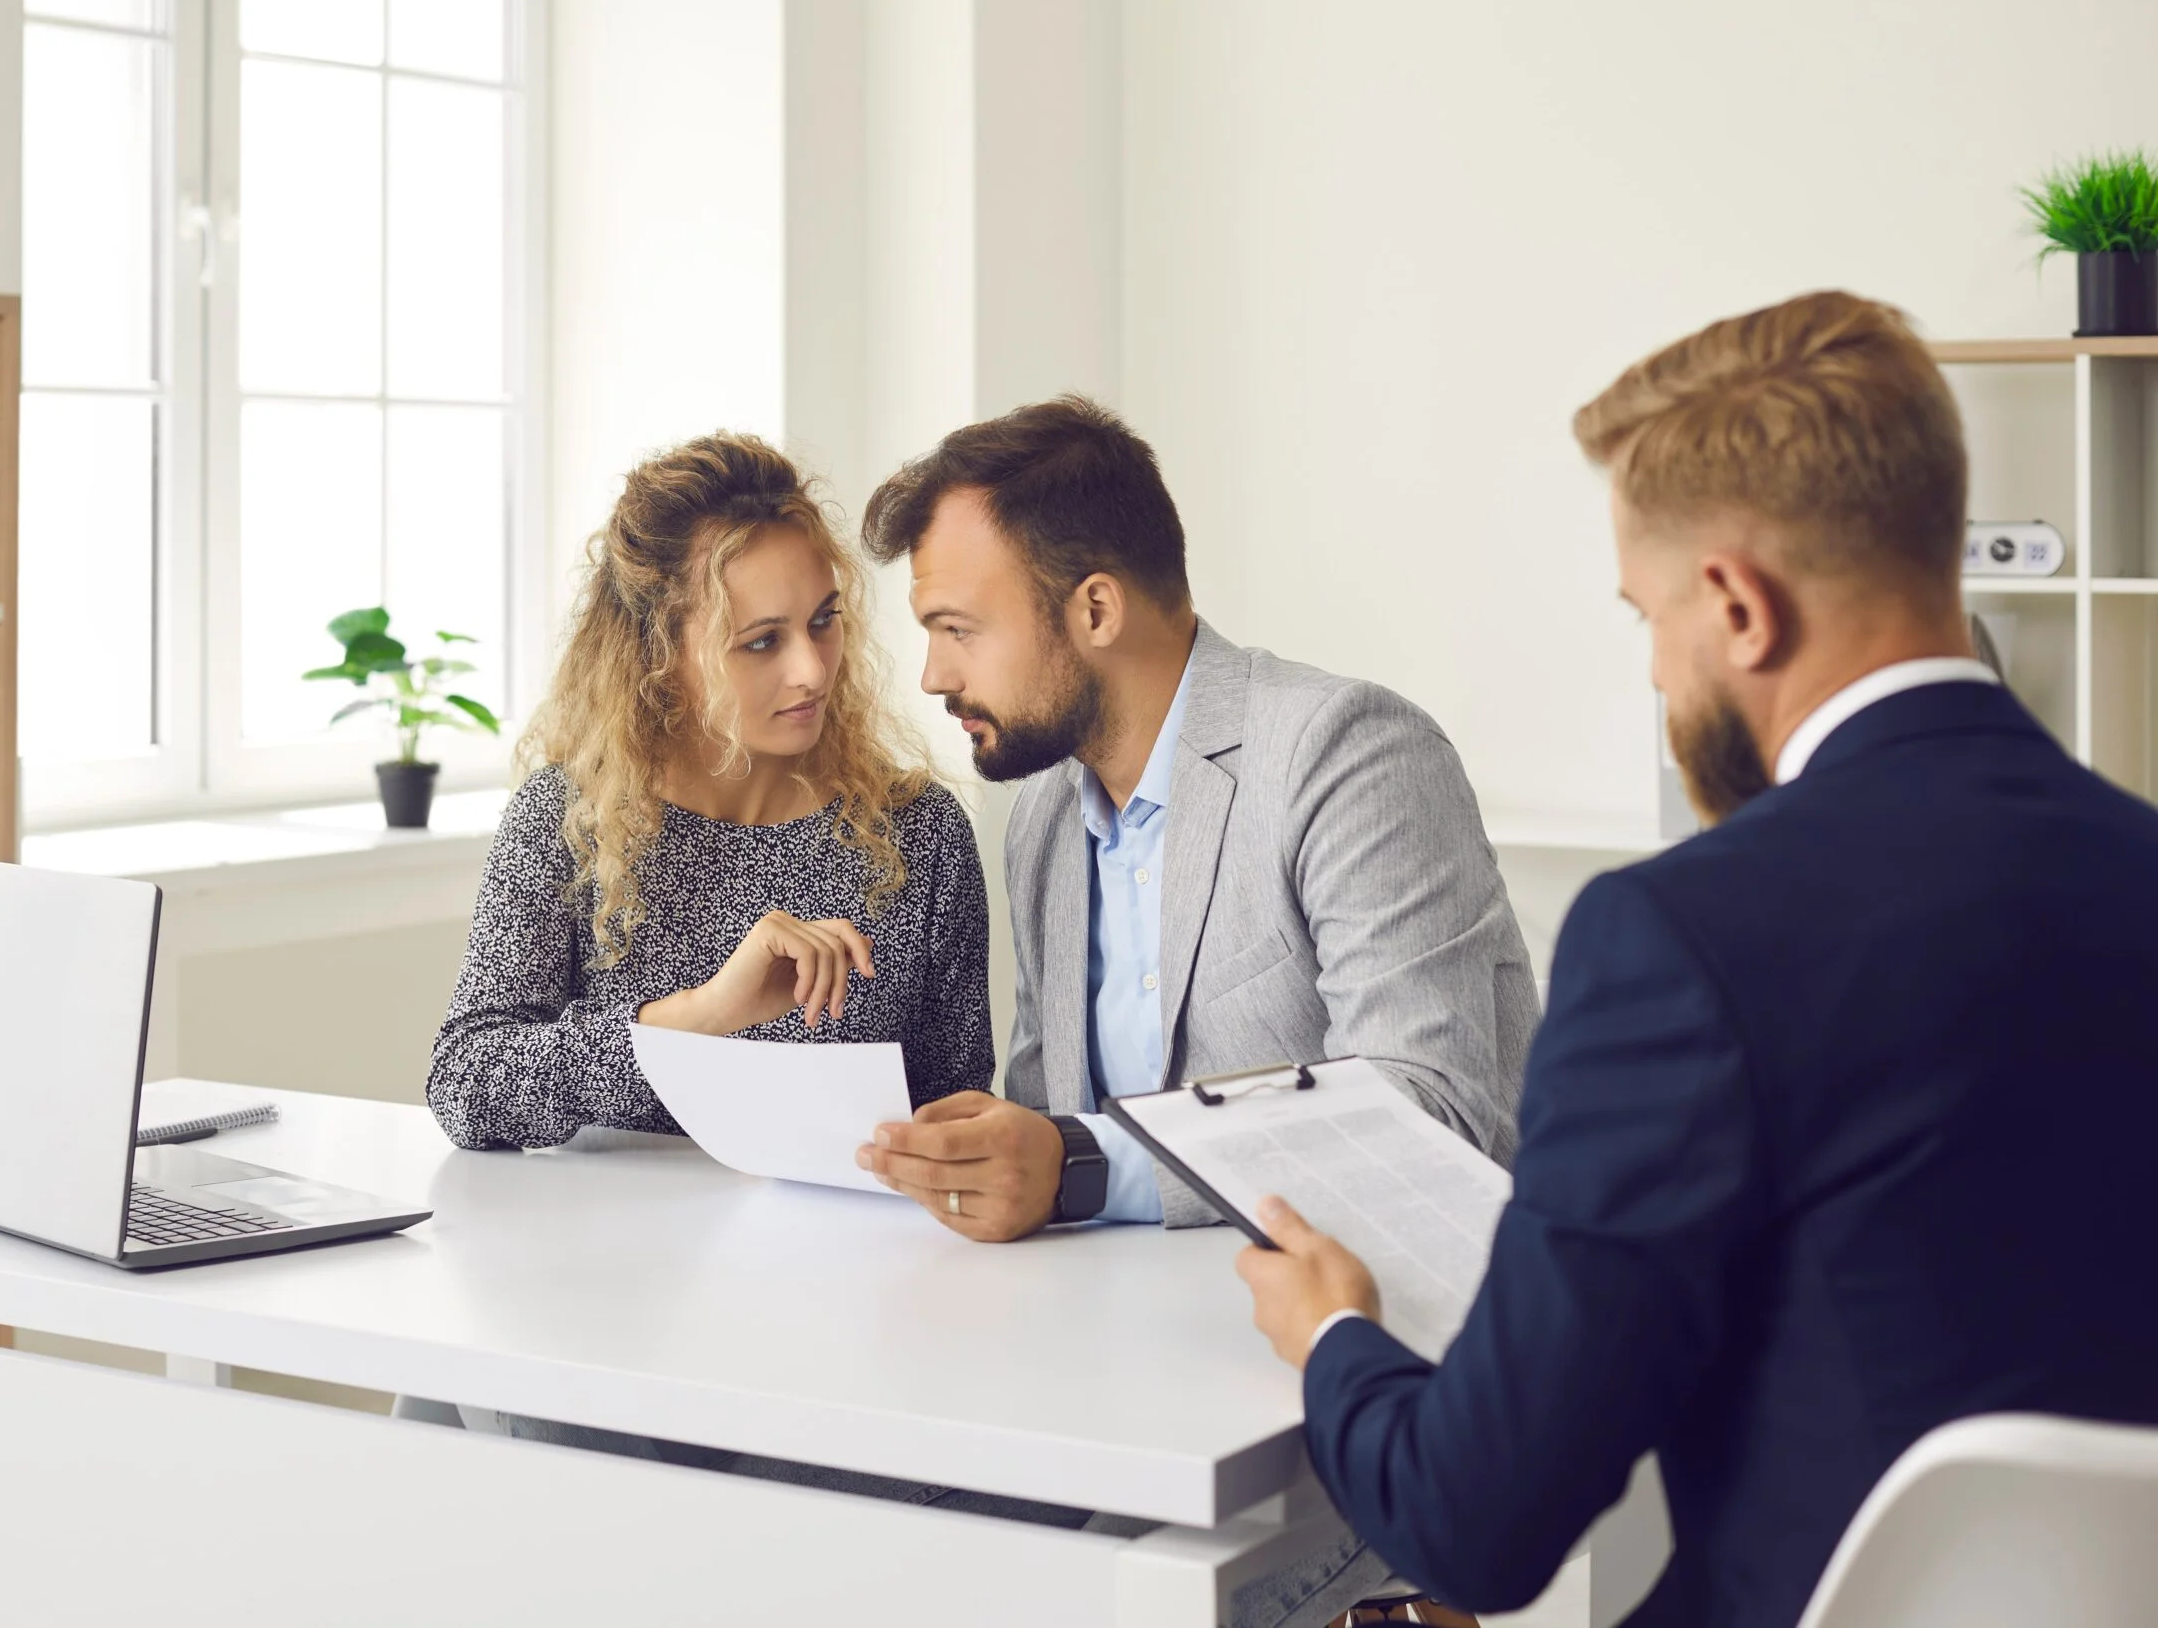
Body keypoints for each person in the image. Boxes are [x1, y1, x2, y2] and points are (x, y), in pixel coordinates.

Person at [1236, 291, 2158, 1628]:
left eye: (1647, 617)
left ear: (1735, 604)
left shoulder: (1679, 940)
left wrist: (1334, 1332)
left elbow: (1478, 1523)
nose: (1661, 672)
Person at [853, 394, 1537, 1628]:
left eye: (957, 626)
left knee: (1021, 1587)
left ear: (1094, 608)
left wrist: (1070, 1164)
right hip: (1127, 1377)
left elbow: (1425, 1114)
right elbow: (1043, 1114)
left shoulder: (1348, 752)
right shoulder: (1047, 821)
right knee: (867, 1530)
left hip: (1353, 1379)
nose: (933, 673)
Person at [428, 431, 992, 1153]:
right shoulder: (571, 821)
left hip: (855, 1261)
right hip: (611, 1258)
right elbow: (465, 1082)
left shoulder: (918, 833)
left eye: (825, 621)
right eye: (761, 641)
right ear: (660, 655)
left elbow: (961, 1115)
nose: (813, 671)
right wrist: (701, 1016)